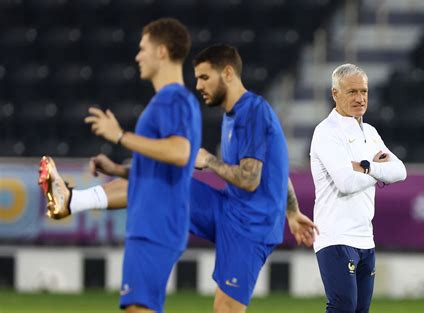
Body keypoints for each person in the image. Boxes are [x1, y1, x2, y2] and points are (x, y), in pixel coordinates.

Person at [39, 44, 315, 313]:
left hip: (252, 227)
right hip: (227, 209)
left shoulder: (253, 112)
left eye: (205, 77)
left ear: (228, 73)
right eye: (196, 79)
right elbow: (275, 168)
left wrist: (208, 161)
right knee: (158, 177)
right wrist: (292, 212)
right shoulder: (233, 116)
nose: (198, 86)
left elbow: (251, 179)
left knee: (225, 310)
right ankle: (73, 200)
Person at [39, 18, 201, 313]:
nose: (138, 56)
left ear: (162, 51)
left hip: (156, 224)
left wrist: (120, 136)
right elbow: (166, 167)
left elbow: (180, 153)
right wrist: (117, 169)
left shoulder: (171, 99)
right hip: (155, 223)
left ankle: (72, 201)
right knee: (138, 308)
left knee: (138, 309)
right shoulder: (171, 100)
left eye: (143, 49)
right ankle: (72, 201)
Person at [309, 63, 407, 313]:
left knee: (360, 310)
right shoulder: (326, 132)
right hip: (335, 235)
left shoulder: (370, 133)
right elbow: (346, 183)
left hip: (365, 236)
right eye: (352, 92)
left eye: (363, 91)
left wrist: (366, 167)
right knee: (343, 308)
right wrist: (378, 170)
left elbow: (400, 172)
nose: (360, 98)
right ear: (335, 94)